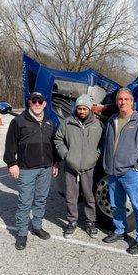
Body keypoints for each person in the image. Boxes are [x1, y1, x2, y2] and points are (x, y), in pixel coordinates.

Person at [4, 92, 59, 251]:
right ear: (30, 102)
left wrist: (55, 162)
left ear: (44, 104)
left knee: (41, 199)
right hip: (27, 168)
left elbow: (53, 145)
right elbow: (10, 145)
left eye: (39, 101)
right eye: (34, 101)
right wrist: (12, 164)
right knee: (25, 201)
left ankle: (37, 226)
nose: (36, 104)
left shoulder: (49, 122)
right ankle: (21, 234)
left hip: (46, 168)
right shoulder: (19, 121)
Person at [102, 88, 138, 255]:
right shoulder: (112, 120)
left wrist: (137, 167)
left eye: (126, 99)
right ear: (117, 102)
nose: (123, 102)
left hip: (131, 173)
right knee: (116, 205)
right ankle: (119, 230)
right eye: (120, 99)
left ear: (132, 101)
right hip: (113, 172)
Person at [54, 94, 103, 239]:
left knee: (89, 196)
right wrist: (66, 155)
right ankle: (72, 222)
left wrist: (96, 155)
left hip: (89, 167)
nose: (81, 111)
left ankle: (90, 222)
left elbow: (103, 142)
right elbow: (58, 139)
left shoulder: (98, 124)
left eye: (84, 108)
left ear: (89, 109)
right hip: (71, 166)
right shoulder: (67, 123)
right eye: (79, 108)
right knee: (71, 196)